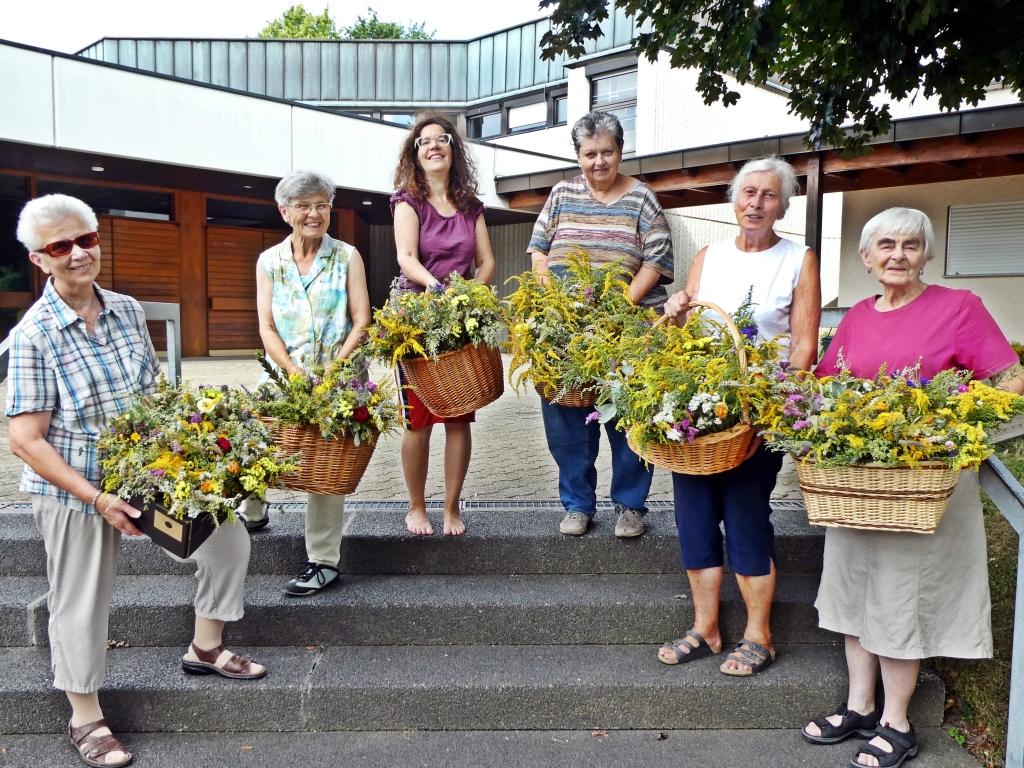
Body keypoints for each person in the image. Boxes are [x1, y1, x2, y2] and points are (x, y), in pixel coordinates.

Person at [7, 194, 265, 768]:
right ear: (39, 259)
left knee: (228, 542)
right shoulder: (35, 334)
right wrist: (97, 498)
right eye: (60, 246)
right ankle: (85, 718)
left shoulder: (124, 309)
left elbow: (153, 397)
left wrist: (199, 441)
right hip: (74, 489)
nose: (78, 254)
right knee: (80, 601)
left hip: (147, 474)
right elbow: (26, 440)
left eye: (86, 239)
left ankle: (205, 647)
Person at [800, 207, 1024, 767]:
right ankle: (859, 707)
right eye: (886, 245)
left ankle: (897, 723)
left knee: (904, 599)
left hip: (924, 489)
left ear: (925, 254)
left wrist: (955, 424)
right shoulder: (856, 316)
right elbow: (827, 387)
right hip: (860, 486)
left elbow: (1010, 379)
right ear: (866, 257)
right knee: (852, 592)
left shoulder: (958, 308)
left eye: (910, 244)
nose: (898, 254)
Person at [658, 157, 821, 675]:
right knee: (695, 518)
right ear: (734, 198)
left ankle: (759, 635)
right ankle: (705, 628)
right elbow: (685, 335)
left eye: (768, 195)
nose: (755, 203)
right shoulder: (709, 256)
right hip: (699, 414)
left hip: (755, 413)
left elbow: (802, 346)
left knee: (747, 516)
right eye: (748, 192)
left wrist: (767, 407)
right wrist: (676, 313)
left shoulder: (799, 259)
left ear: (782, 205)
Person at [528, 110, 674, 539]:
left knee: (628, 417)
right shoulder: (561, 194)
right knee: (566, 419)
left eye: (606, 152)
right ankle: (577, 504)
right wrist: (556, 305)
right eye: (589, 153)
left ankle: (630, 506)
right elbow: (538, 252)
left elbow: (656, 262)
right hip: (565, 330)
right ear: (578, 156)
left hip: (629, 328)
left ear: (620, 152)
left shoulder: (642, 199)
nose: (598, 161)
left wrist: (616, 311)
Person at [239, 170, 371, 595]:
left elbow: (361, 322)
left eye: (321, 204)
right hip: (283, 374)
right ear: (284, 212)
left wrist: (333, 373)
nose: (314, 213)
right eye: (304, 205)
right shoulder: (269, 262)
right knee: (260, 443)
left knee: (325, 464)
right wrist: (294, 373)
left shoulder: (347, 256)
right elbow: (266, 326)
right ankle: (253, 511)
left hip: (339, 376)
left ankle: (323, 561)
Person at [390, 114, 495, 537]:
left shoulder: (470, 205)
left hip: (458, 319)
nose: (434, 146)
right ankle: (416, 507)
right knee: (417, 419)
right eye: (424, 141)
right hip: (415, 321)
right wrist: (440, 289)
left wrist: (467, 294)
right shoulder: (407, 201)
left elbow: (486, 261)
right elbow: (406, 258)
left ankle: (451, 507)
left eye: (442, 139)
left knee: (457, 416)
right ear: (415, 153)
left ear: (454, 150)